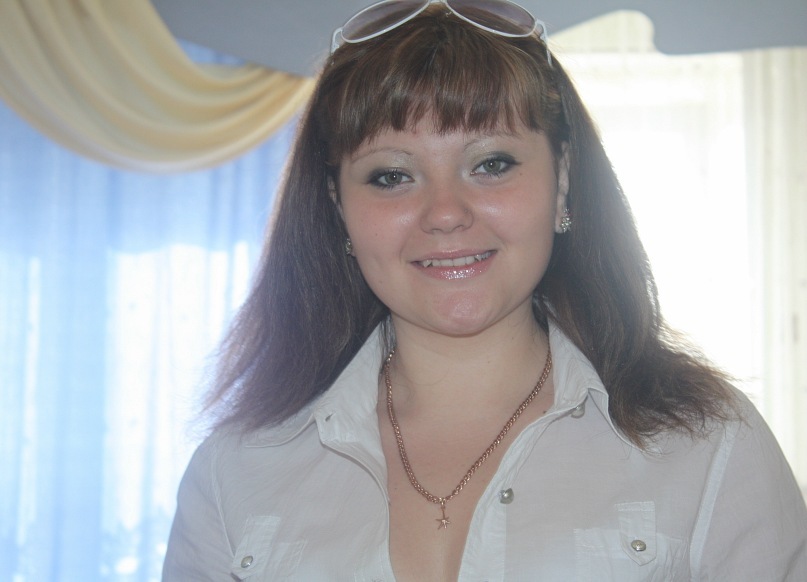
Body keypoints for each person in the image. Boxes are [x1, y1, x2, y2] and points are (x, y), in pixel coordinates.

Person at [162, 1, 807, 580]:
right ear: (338, 210)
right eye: (391, 176)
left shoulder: (707, 442)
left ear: (561, 182)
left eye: (492, 163)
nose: (445, 213)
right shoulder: (233, 472)